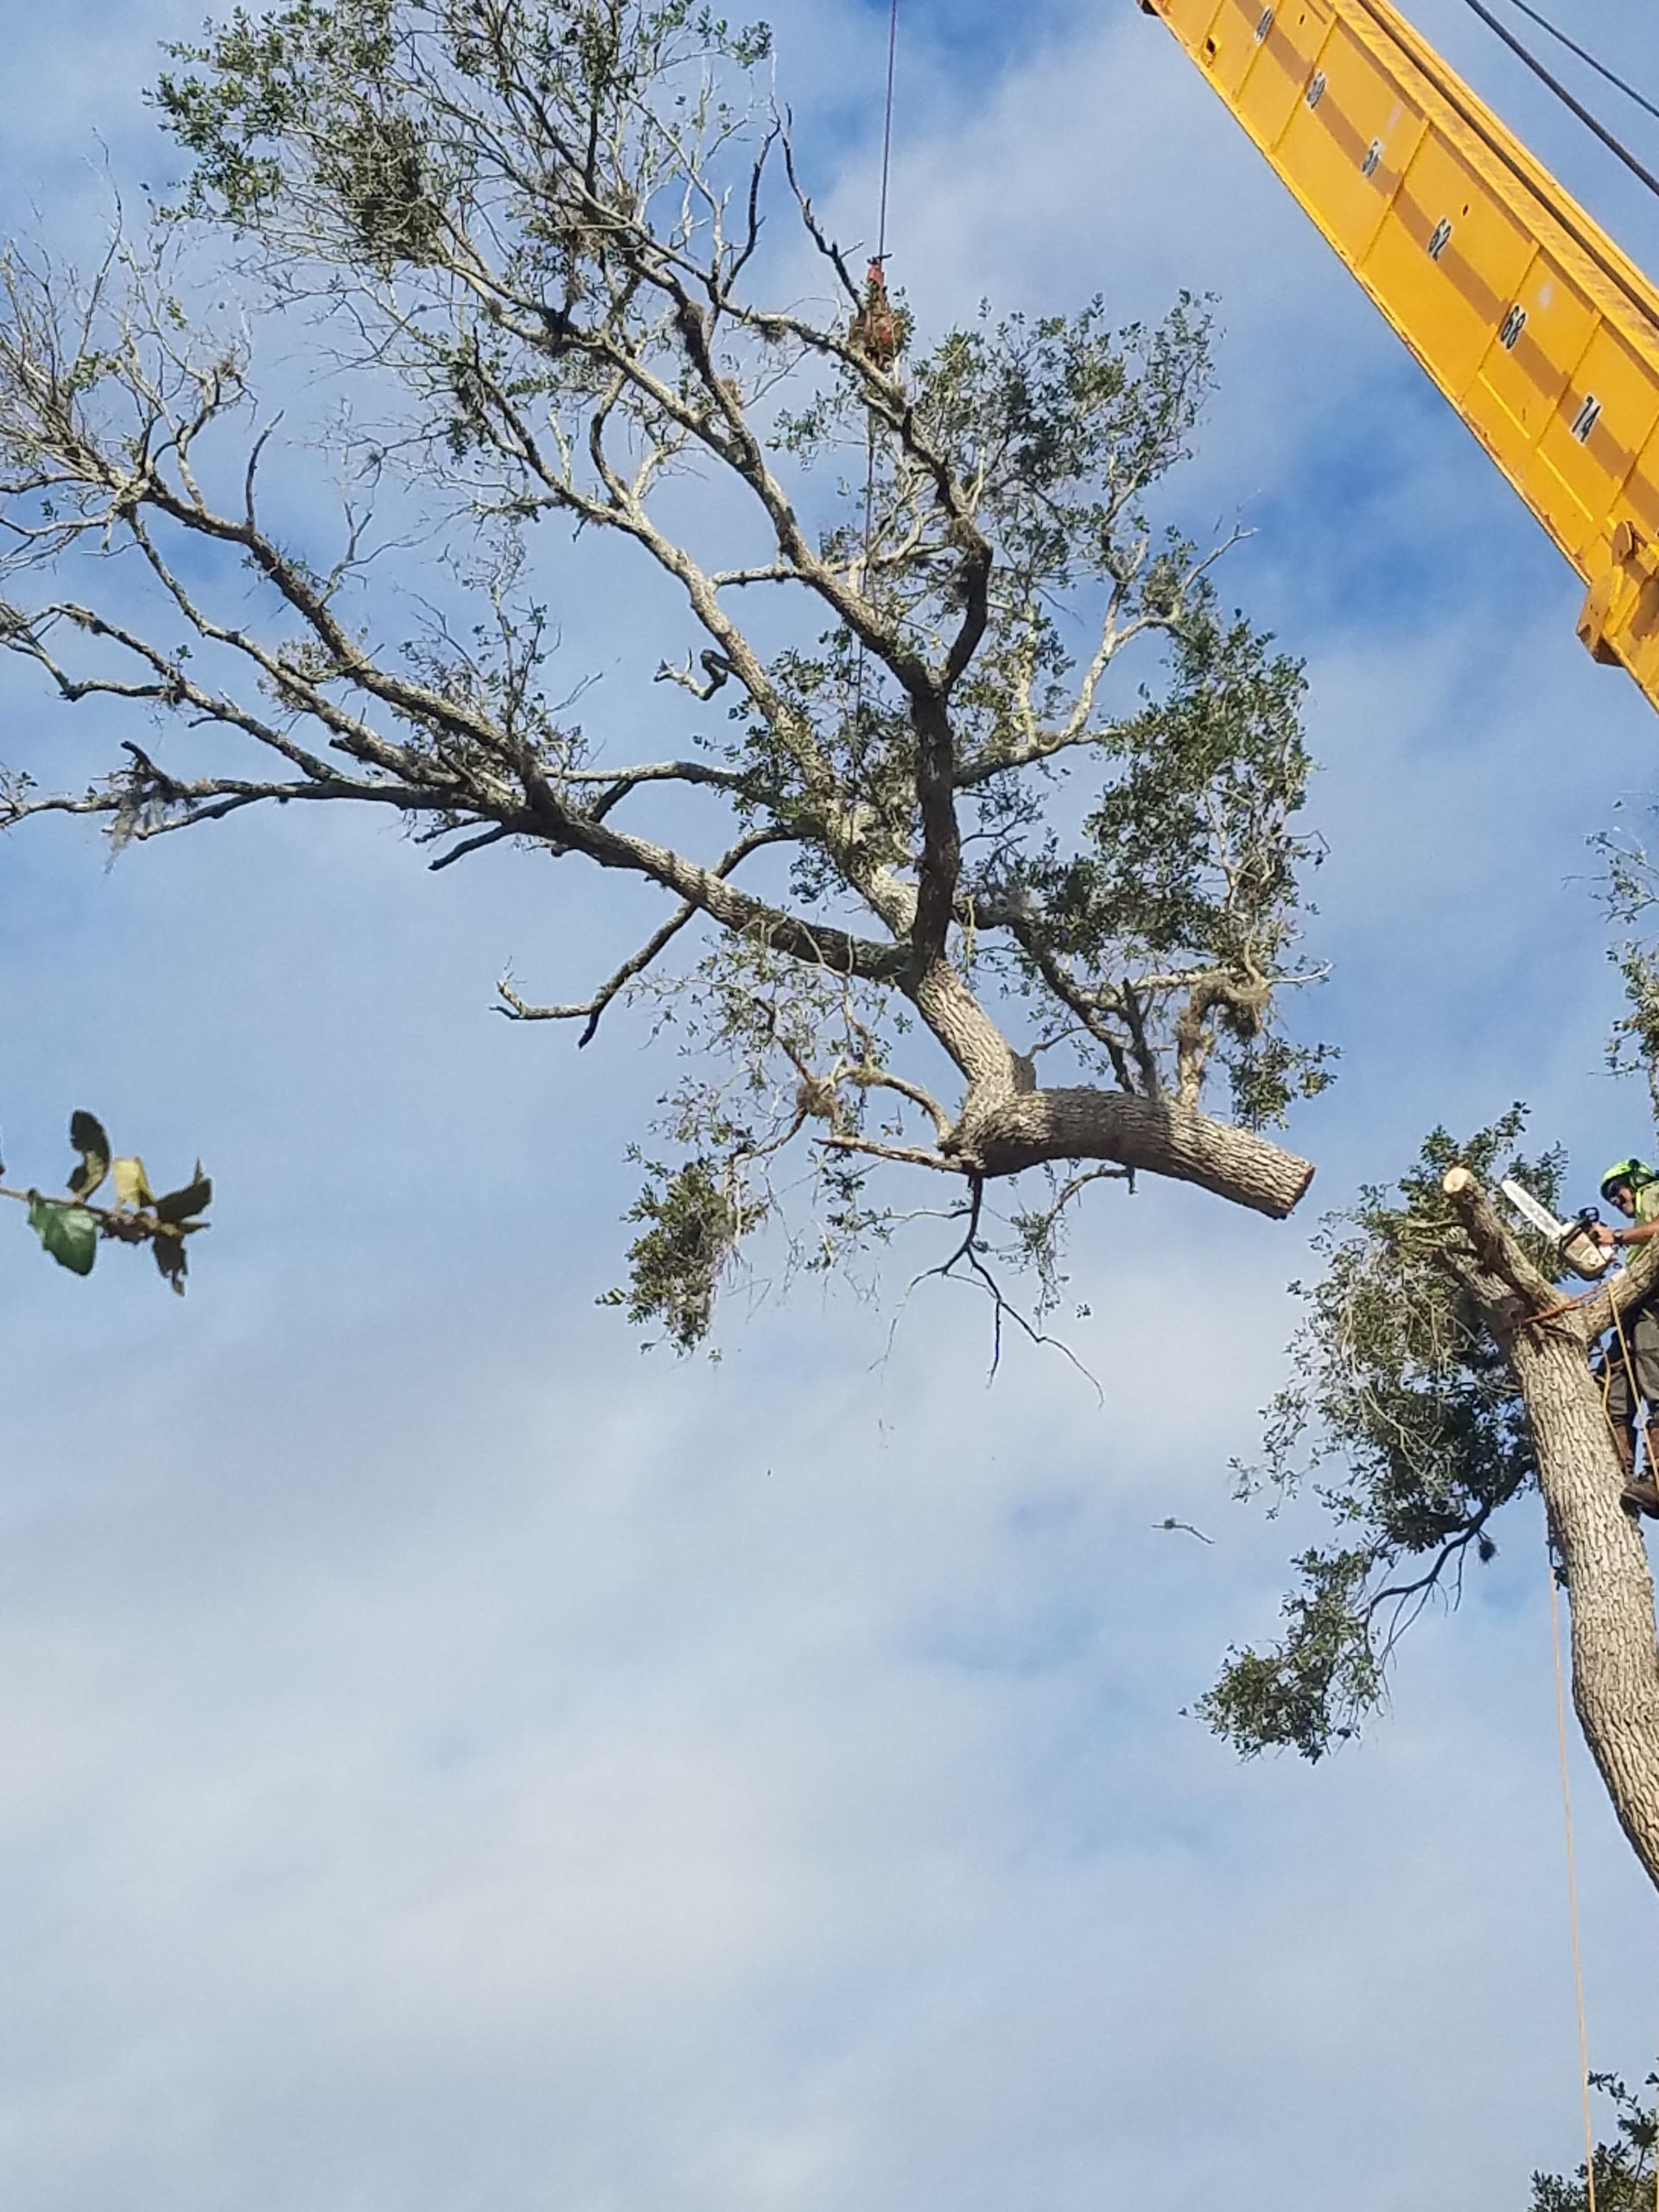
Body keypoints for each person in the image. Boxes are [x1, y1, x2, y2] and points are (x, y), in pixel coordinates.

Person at [1592, 1159, 1659, 1516]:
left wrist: (1615, 1235)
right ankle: (1617, 1472)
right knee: (1611, 1385)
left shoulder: (1653, 1192)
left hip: (1655, 1307)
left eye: (1616, 1190)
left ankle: (1657, 1477)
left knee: (1656, 1383)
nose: (1615, 1200)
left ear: (1634, 1179)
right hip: (1635, 1312)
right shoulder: (1639, 1224)